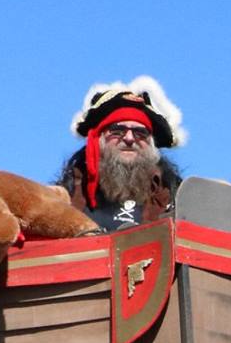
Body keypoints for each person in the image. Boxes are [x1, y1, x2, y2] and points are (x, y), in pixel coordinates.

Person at [67, 75, 187, 230]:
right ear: (98, 140)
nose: (129, 138)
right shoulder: (67, 197)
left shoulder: (176, 201)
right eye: (117, 131)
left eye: (140, 133)